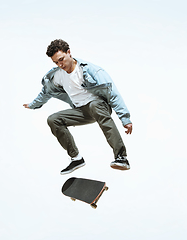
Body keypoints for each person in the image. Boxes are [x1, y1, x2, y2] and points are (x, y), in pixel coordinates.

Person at [23, 39, 132, 175]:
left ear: (69, 52)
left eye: (61, 59)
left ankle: (121, 157)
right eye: (56, 62)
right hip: (81, 111)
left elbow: (112, 93)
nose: (60, 64)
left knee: (94, 105)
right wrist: (33, 105)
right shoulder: (57, 75)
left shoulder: (90, 70)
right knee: (53, 119)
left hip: (99, 106)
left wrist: (125, 119)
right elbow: (46, 92)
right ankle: (76, 158)